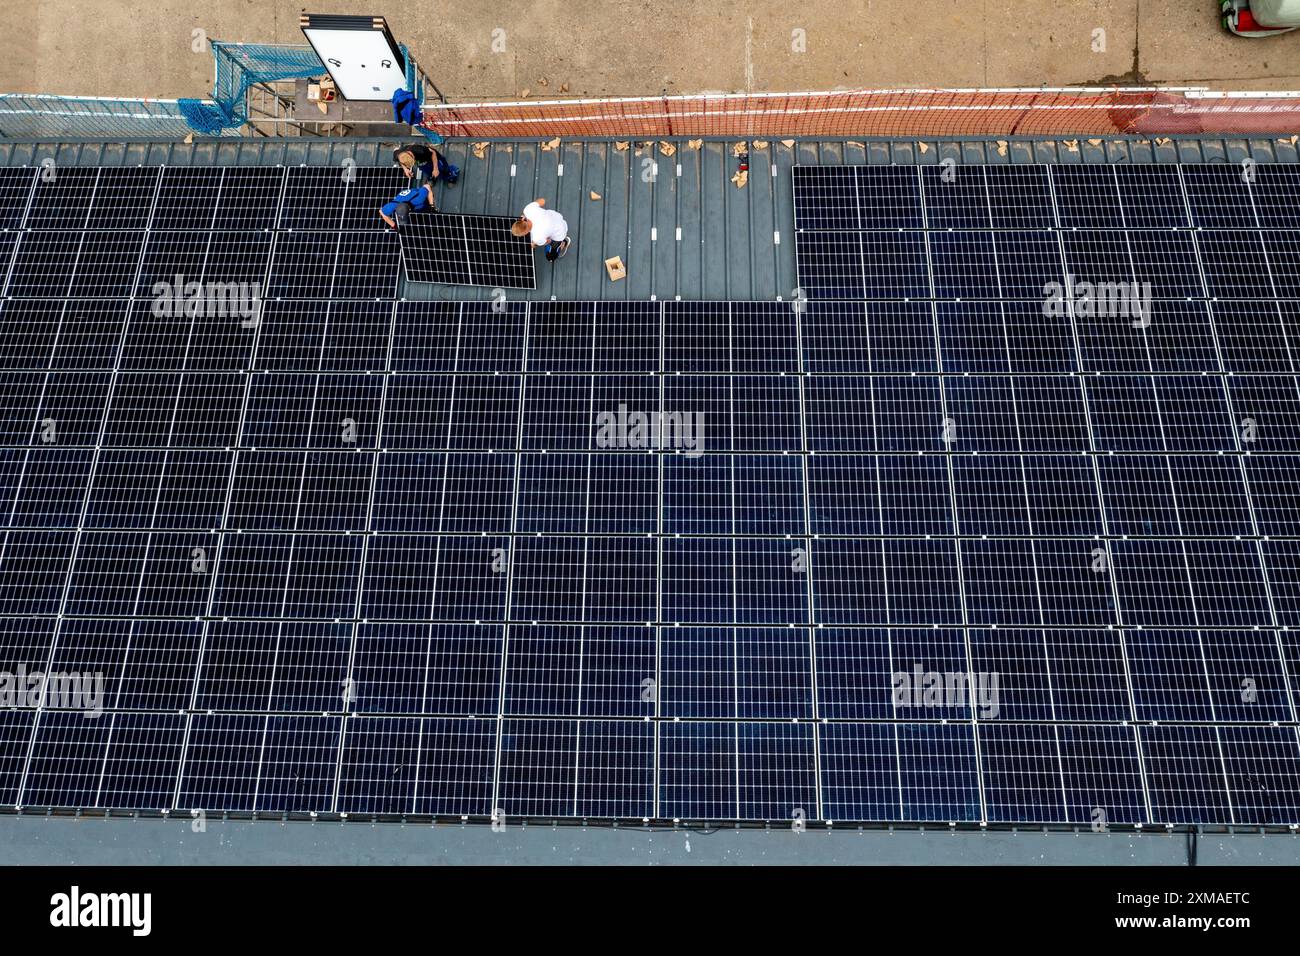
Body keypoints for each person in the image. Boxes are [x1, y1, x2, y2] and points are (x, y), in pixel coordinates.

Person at [393, 143, 459, 186]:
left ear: (411, 156)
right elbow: (400, 162)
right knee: (427, 171)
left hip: (433, 159)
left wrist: (435, 169)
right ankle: (432, 177)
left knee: (443, 169)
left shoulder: (420, 151)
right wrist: (406, 169)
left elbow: (433, 153)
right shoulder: (398, 155)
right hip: (422, 164)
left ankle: (451, 176)